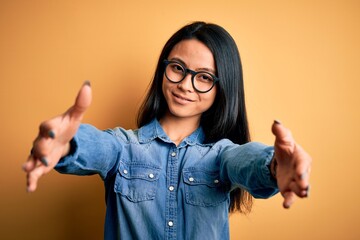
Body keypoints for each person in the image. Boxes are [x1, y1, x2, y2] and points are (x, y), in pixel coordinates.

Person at [23, 21, 311, 239]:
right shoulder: (124, 147)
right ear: (164, 69)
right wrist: (67, 144)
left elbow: (244, 160)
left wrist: (274, 165)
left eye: (204, 77)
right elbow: (97, 146)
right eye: (177, 68)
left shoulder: (221, 154)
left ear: (222, 88)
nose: (186, 85)